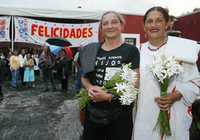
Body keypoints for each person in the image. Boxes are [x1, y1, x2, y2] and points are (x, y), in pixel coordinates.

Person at [133, 6, 200, 140]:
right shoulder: (137, 51)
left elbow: (196, 82)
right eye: (149, 21)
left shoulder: (181, 50)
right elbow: (132, 84)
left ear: (167, 24)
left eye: (159, 20)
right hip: (144, 117)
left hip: (174, 116)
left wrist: (177, 94)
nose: (154, 25)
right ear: (144, 26)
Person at [80, 11, 140, 140]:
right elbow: (84, 78)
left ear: (122, 25)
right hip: (93, 113)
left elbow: (134, 86)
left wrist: (108, 97)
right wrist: (90, 87)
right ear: (101, 28)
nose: (110, 26)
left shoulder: (131, 51)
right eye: (105, 23)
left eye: (114, 22)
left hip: (120, 114)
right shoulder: (91, 50)